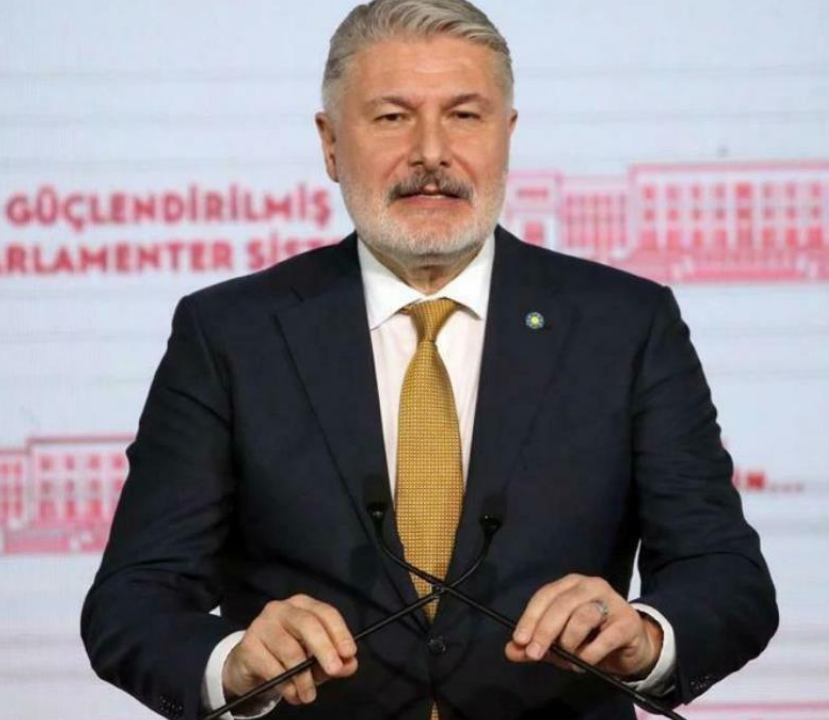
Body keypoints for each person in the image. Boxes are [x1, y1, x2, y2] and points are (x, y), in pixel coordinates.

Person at [80, 1, 778, 718]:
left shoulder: (624, 326)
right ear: (330, 143)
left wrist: (648, 637)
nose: (431, 153)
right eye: (392, 117)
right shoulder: (230, 334)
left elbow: (725, 576)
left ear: (507, 135)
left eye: (465, 116)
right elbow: (134, 599)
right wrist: (231, 663)